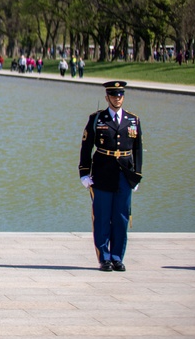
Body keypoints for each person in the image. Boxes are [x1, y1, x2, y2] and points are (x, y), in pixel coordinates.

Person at [79, 80, 143, 272]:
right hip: (102, 173)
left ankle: (117, 257)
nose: (118, 98)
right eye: (114, 95)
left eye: (120, 95)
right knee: (102, 217)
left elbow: (138, 149)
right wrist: (84, 172)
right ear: (107, 97)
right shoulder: (97, 119)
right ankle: (104, 258)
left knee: (121, 217)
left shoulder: (133, 120)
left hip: (125, 173)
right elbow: (86, 147)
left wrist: (137, 174)